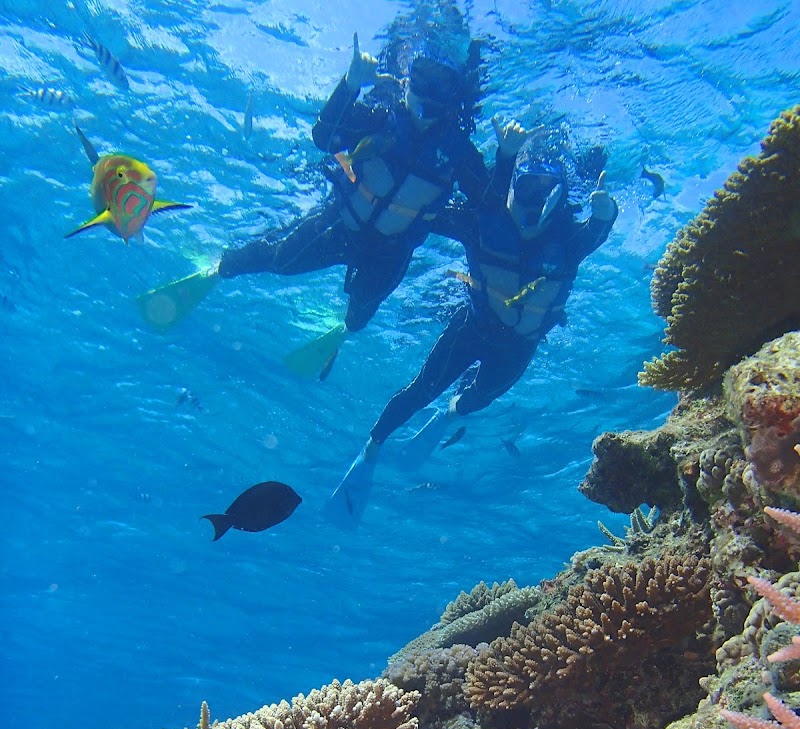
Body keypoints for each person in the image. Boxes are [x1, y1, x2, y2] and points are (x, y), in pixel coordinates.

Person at [138, 34, 516, 378]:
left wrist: (506, 159)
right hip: (340, 224)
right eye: (420, 78)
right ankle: (222, 268)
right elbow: (324, 136)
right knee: (282, 259)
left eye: (441, 87)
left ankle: (343, 330)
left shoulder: (457, 152)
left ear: (453, 100)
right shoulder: (381, 118)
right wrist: (351, 83)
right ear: (406, 80)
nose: (427, 96)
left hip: (390, 251)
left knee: (361, 314)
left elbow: (489, 208)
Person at [329, 139, 618, 518]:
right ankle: (370, 450)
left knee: (477, 399)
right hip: (471, 328)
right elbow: (419, 208)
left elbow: (597, 231)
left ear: (559, 199)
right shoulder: (479, 223)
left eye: (545, 193)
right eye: (526, 188)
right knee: (420, 389)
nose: (533, 203)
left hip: (518, 347)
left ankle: (448, 414)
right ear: (511, 187)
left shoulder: (569, 241)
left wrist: (606, 215)